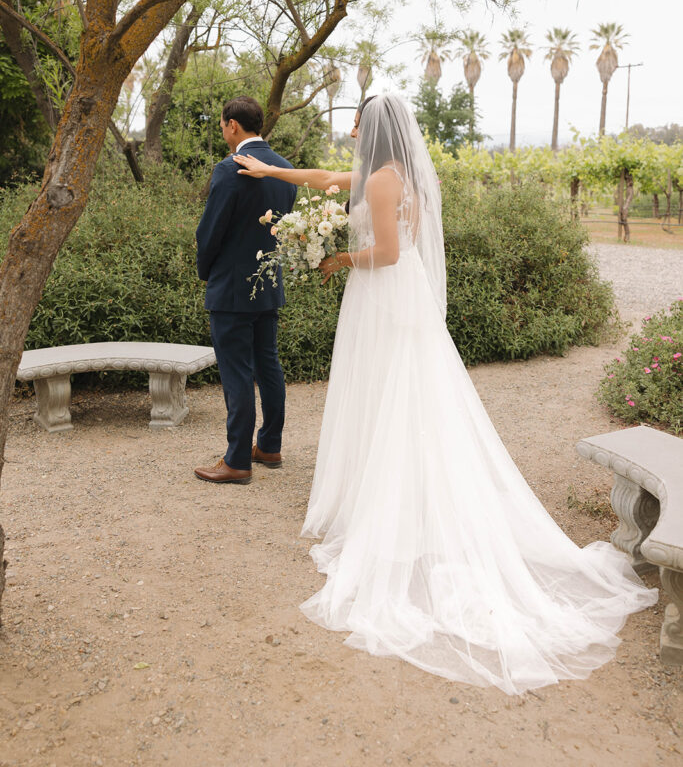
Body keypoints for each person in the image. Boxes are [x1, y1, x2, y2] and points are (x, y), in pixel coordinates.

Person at [233, 93, 657, 694]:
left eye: (356, 121)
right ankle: (397, 490)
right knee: (402, 399)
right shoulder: (392, 174)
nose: (350, 129)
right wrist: (272, 170)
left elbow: (386, 253)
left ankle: (400, 509)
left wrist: (336, 260)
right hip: (395, 299)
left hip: (385, 294)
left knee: (398, 396)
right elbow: (326, 176)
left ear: (374, 128)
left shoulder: (381, 181)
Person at [194, 96, 297, 485]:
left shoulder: (229, 169)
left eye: (222, 124)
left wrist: (208, 272)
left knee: (237, 372)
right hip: (269, 284)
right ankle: (269, 445)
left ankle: (237, 460)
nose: (222, 130)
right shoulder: (285, 169)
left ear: (233, 125)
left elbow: (210, 233)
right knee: (267, 364)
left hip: (232, 289)